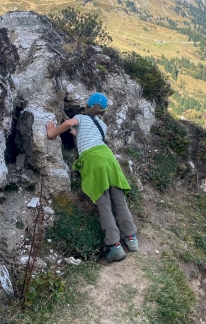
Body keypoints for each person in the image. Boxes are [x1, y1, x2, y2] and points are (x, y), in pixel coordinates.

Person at [46, 92, 138, 262]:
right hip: (109, 159)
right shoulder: (102, 125)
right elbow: (90, 136)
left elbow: (69, 122)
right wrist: (77, 134)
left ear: (86, 106)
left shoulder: (80, 117)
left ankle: (114, 246)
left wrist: (52, 134)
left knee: (104, 203)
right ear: (103, 112)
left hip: (94, 160)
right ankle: (131, 239)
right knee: (119, 200)